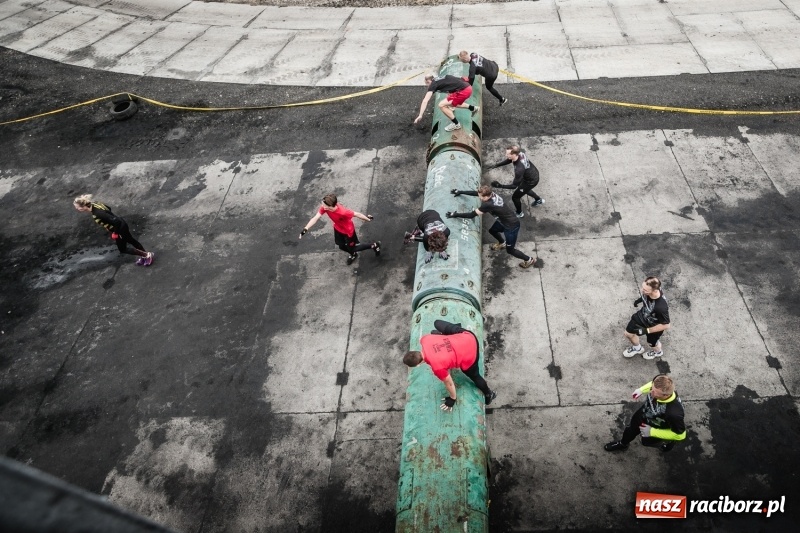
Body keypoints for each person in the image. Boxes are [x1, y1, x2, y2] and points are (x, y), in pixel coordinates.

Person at [403, 319, 496, 411]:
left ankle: (489, 393)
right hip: (469, 336)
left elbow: (449, 383)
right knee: (437, 323)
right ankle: (449, 333)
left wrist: (452, 398)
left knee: (475, 376)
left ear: (418, 365)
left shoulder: (437, 368)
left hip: (471, 355)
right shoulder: (424, 339)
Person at [447, 185, 535, 269]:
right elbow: (476, 193)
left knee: (510, 250)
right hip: (504, 221)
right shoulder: (491, 194)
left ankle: (529, 260)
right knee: (492, 231)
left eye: (480, 196)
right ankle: (502, 243)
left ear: (485, 197)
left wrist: (455, 214)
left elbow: (471, 215)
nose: (479, 197)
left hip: (511, 227)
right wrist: (460, 192)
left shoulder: (487, 204)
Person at [604, 374, 686, 453]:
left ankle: (667, 444)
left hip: (657, 426)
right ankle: (623, 444)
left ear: (665, 395)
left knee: (646, 442)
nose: (650, 391)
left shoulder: (673, 413)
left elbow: (681, 435)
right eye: (651, 388)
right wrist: (641, 390)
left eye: (654, 391)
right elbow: (652, 384)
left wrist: (652, 431)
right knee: (630, 429)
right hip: (643, 414)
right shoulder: (660, 382)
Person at [299, 193, 380, 265]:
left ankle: (374, 245)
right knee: (341, 246)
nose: (322, 206)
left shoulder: (343, 212)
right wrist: (305, 229)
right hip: (338, 229)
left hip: (348, 232)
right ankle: (353, 254)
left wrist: (368, 219)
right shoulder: (325, 208)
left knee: (352, 248)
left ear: (330, 206)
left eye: (324, 205)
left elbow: (357, 214)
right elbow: (315, 218)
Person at [73, 194, 154, 266]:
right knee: (131, 240)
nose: (77, 209)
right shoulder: (95, 204)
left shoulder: (98, 213)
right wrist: (108, 221)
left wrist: (115, 232)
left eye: (77, 207)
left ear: (83, 206)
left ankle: (147, 255)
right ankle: (144, 256)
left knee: (123, 249)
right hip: (122, 225)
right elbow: (108, 208)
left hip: (120, 229)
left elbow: (116, 221)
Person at [486, 145, 544, 217]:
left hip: (530, 181)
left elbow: (514, 186)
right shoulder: (519, 154)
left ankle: (519, 213)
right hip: (531, 175)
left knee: (515, 197)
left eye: (508, 154)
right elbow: (510, 160)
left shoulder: (519, 169)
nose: (505, 155)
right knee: (523, 188)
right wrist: (496, 165)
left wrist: (499, 185)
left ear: (514, 154)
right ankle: (539, 200)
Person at [622, 276, 671, 360]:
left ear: (655, 290)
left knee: (652, 343)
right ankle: (637, 349)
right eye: (642, 287)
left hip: (653, 325)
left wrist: (646, 331)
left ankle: (657, 352)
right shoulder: (651, 289)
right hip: (641, 317)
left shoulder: (660, 307)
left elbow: (666, 325)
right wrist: (638, 300)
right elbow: (645, 296)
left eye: (645, 290)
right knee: (628, 334)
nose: (642, 290)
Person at [413, 74, 478, 132]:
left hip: (464, 91)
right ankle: (473, 108)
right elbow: (454, 83)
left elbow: (425, 100)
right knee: (451, 103)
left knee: (441, 105)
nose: (427, 86)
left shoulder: (433, 84)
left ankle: (456, 124)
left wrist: (420, 115)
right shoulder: (441, 78)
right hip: (467, 87)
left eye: (426, 84)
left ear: (429, 81)